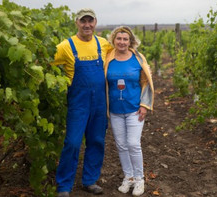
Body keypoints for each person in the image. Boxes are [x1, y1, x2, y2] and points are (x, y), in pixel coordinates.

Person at [51, 8, 112, 197]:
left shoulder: (103, 44)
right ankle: (64, 186)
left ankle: (89, 180)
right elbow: (46, 61)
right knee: (73, 142)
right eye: (83, 21)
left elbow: (123, 52)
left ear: (95, 22)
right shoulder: (65, 46)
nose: (87, 25)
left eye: (90, 21)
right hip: (79, 103)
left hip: (100, 103)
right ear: (77, 22)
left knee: (96, 141)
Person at [104, 26, 154, 196]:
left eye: (125, 39)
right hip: (116, 111)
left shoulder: (138, 59)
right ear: (114, 40)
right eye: (119, 38)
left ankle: (140, 179)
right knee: (121, 145)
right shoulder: (108, 59)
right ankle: (129, 177)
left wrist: (144, 105)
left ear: (131, 41)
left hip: (134, 109)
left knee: (133, 144)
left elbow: (147, 81)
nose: (122, 42)